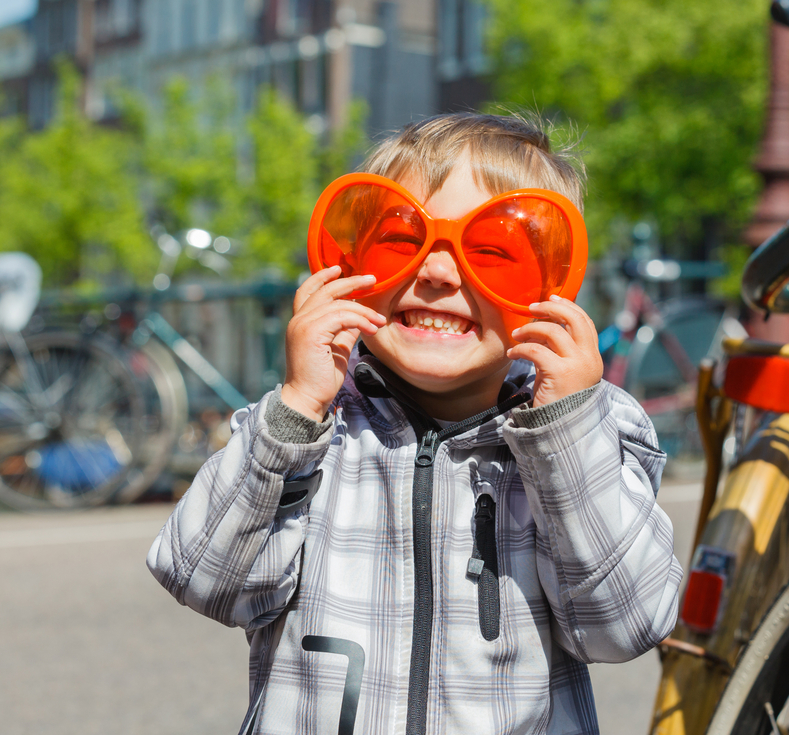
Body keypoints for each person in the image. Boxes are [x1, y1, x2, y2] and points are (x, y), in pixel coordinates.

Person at [147, 113, 682, 735]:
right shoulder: (312, 429)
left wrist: (564, 434)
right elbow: (203, 578)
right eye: (402, 241)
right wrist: (296, 410)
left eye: (492, 252)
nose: (438, 272)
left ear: (551, 285)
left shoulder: (589, 434)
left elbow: (627, 624)